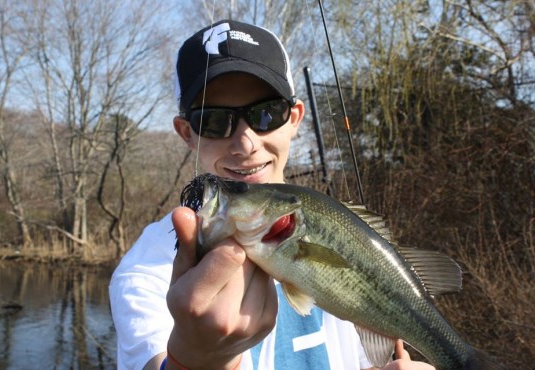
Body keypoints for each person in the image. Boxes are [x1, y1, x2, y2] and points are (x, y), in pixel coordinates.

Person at [109, 19, 436, 370]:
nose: (246, 143)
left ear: (294, 118)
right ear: (187, 133)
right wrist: (194, 359)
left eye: (266, 114)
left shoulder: (337, 231)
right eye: (214, 121)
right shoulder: (146, 272)